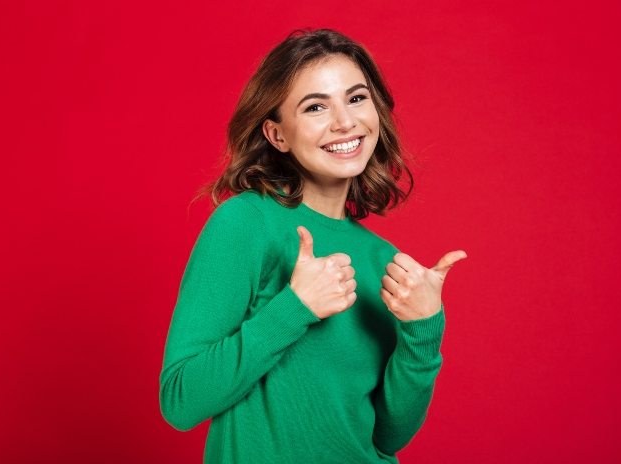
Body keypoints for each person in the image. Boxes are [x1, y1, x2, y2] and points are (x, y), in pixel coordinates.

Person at [159, 29, 466, 463]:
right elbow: (180, 399)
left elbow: (388, 438)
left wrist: (423, 329)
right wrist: (294, 308)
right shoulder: (246, 223)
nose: (345, 121)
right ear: (277, 134)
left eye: (356, 98)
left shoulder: (385, 260)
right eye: (316, 106)